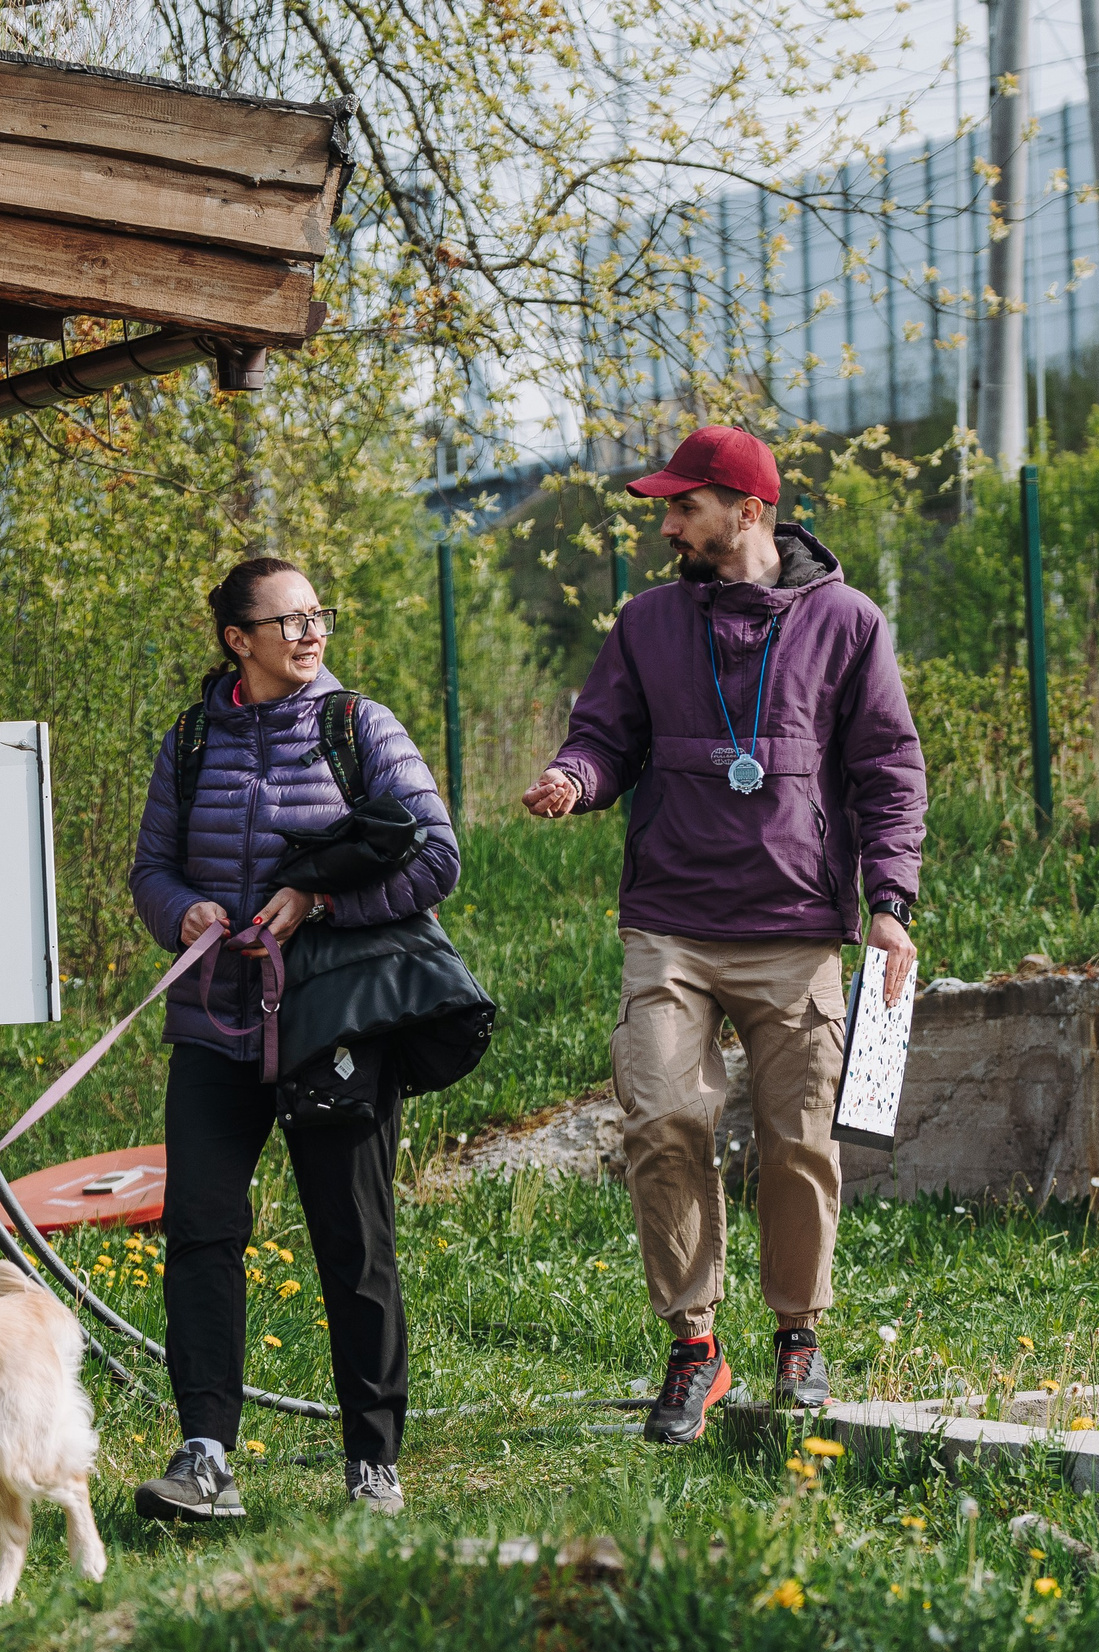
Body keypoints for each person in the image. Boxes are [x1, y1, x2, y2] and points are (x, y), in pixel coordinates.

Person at [522, 424, 925, 1443]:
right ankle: (695, 1346)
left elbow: (887, 766)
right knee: (661, 1118)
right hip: (671, 924)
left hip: (797, 928)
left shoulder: (848, 623)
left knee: (799, 1142)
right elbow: (605, 735)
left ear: (748, 510)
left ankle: (798, 1330)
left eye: (681, 506)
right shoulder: (648, 623)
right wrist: (577, 778)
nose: (666, 523)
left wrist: (891, 904)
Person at [126, 557, 460, 1520]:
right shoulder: (190, 741)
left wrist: (315, 899)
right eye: (289, 622)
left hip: (333, 1020)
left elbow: (438, 858)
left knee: (353, 1239)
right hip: (213, 1026)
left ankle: (373, 1460)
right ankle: (205, 1456)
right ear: (238, 640)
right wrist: (184, 912)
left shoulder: (360, 726)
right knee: (198, 1232)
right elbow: (151, 867)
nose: (312, 635)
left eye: (318, 617)